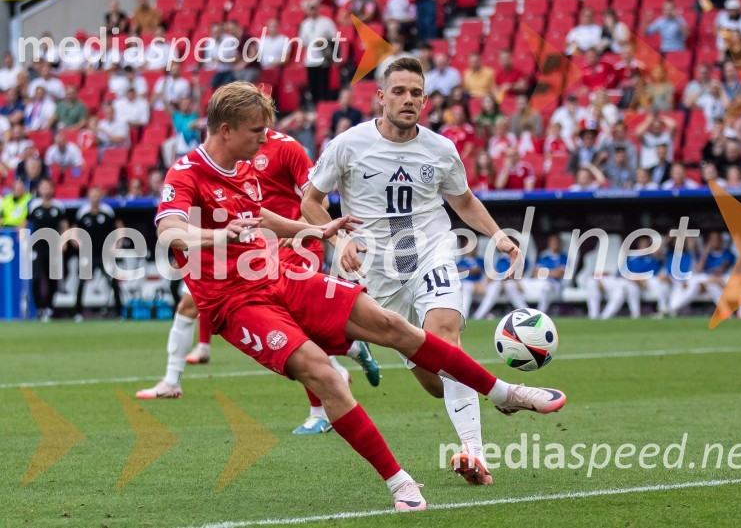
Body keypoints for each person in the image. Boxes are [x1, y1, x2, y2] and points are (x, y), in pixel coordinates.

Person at [159, 81, 566, 510]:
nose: (265, 139)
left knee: (394, 326)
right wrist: (216, 236)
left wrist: (315, 229)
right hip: (237, 303)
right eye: (257, 131)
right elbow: (171, 232)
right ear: (225, 130)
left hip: (278, 275)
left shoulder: (243, 167)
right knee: (326, 375)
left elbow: (256, 215)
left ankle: (505, 393)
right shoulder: (185, 173)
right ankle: (401, 483)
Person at [302, 59, 562, 487]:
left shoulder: (441, 149)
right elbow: (311, 202)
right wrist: (339, 241)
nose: (408, 99)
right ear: (381, 97)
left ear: (425, 99)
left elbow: (462, 201)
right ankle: (489, 393)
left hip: (431, 253)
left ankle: (475, 454)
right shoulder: (348, 145)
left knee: (445, 334)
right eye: (399, 91)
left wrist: (496, 234)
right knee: (437, 381)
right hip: (375, 274)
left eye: (416, 93)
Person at [137, 125, 382, 436]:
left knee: (295, 324)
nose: (258, 132)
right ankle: (348, 352)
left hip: (294, 244)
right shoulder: (232, 156)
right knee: (191, 303)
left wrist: (310, 231)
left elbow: (315, 200)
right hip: (248, 248)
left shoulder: (286, 147)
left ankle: (321, 406)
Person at [73, 186, 123, 321]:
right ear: (88, 197)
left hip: (105, 254)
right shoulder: (83, 212)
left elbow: (119, 226)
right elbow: (76, 230)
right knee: (82, 283)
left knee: (113, 283)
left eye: (97, 195)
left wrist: (118, 241)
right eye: (92, 195)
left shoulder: (107, 211)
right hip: (88, 254)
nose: (94, 198)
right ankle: (77, 313)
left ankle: (119, 312)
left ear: (100, 196)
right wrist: (76, 242)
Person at [28, 178, 67, 321]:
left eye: (48, 187)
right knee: (36, 278)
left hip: (53, 247)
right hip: (37, 247)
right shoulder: (34, 206)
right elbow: (26, 222)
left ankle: (50, 308)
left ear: (52, 189)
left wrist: (64, 240)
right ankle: (38, 308)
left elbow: (64, 225)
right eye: (43, 187)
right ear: (39, 190)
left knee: (53, 279)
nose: (45, 190)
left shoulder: (58, 206)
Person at [534, 234, 568, 314]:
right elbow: (535, 273)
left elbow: (557, 274)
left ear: (560, 244)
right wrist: (550, 272)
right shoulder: (544, 256)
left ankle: (540, 313)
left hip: (554, 284)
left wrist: (542, 272)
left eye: (556, 242)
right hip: (539, 282)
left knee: (546, 288)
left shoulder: (563, 257)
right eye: (552, 242)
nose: (554, 244)